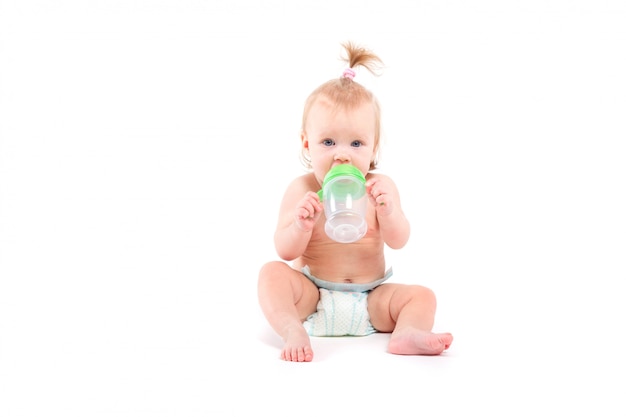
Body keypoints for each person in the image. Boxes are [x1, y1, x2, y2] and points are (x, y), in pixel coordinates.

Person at [257, 42, 453, 362]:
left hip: (371, 299)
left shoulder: (380, 187)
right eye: (328, 141)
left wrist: (388, 211)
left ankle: (405, 333)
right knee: (271, 273)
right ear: (307, 143)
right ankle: (291, 328)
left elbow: (399, 240)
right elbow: (285, 250)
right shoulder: (301, 189)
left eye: (357, 142)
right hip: (312, 295)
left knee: (421, 296)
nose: (342, 153)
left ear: (374, 149)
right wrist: (300, 225)